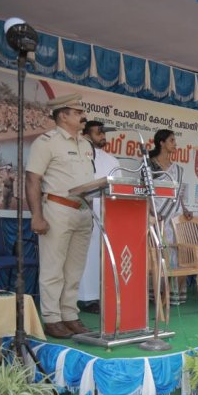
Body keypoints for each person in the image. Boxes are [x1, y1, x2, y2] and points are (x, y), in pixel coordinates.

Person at [26, 93, 96, 339]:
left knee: (74, 269)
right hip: (57, 209)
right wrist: (37, 216)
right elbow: (33, 179)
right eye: (77, 112)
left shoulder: (86, 144)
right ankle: (52, 317)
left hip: (83, 211)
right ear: (63, 115)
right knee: (53, 268)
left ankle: (69, 314)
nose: (83, 116)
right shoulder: (47, 142)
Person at [77, 120, 121, 314]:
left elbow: (118, 187)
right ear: (86, 135)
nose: (103, 137)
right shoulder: (78, 156)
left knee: (101, 255)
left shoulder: (112, 160)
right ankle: (84, 299)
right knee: (85, 256)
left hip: (107, 213)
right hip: (83, 209)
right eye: (98, 133)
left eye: (104, 133)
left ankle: (101, 295)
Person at [149, 129, 191, 304]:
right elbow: (144, 191)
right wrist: (151, 212)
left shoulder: (178, 169)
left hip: (174, 216)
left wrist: (185, 208)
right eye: (172, 140)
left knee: (173, 253)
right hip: (155, 215)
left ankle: (171, 295)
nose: (175, 144)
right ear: (161, 142)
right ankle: (155, 294)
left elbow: (178, 194)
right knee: (156, 254)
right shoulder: (149, 165)